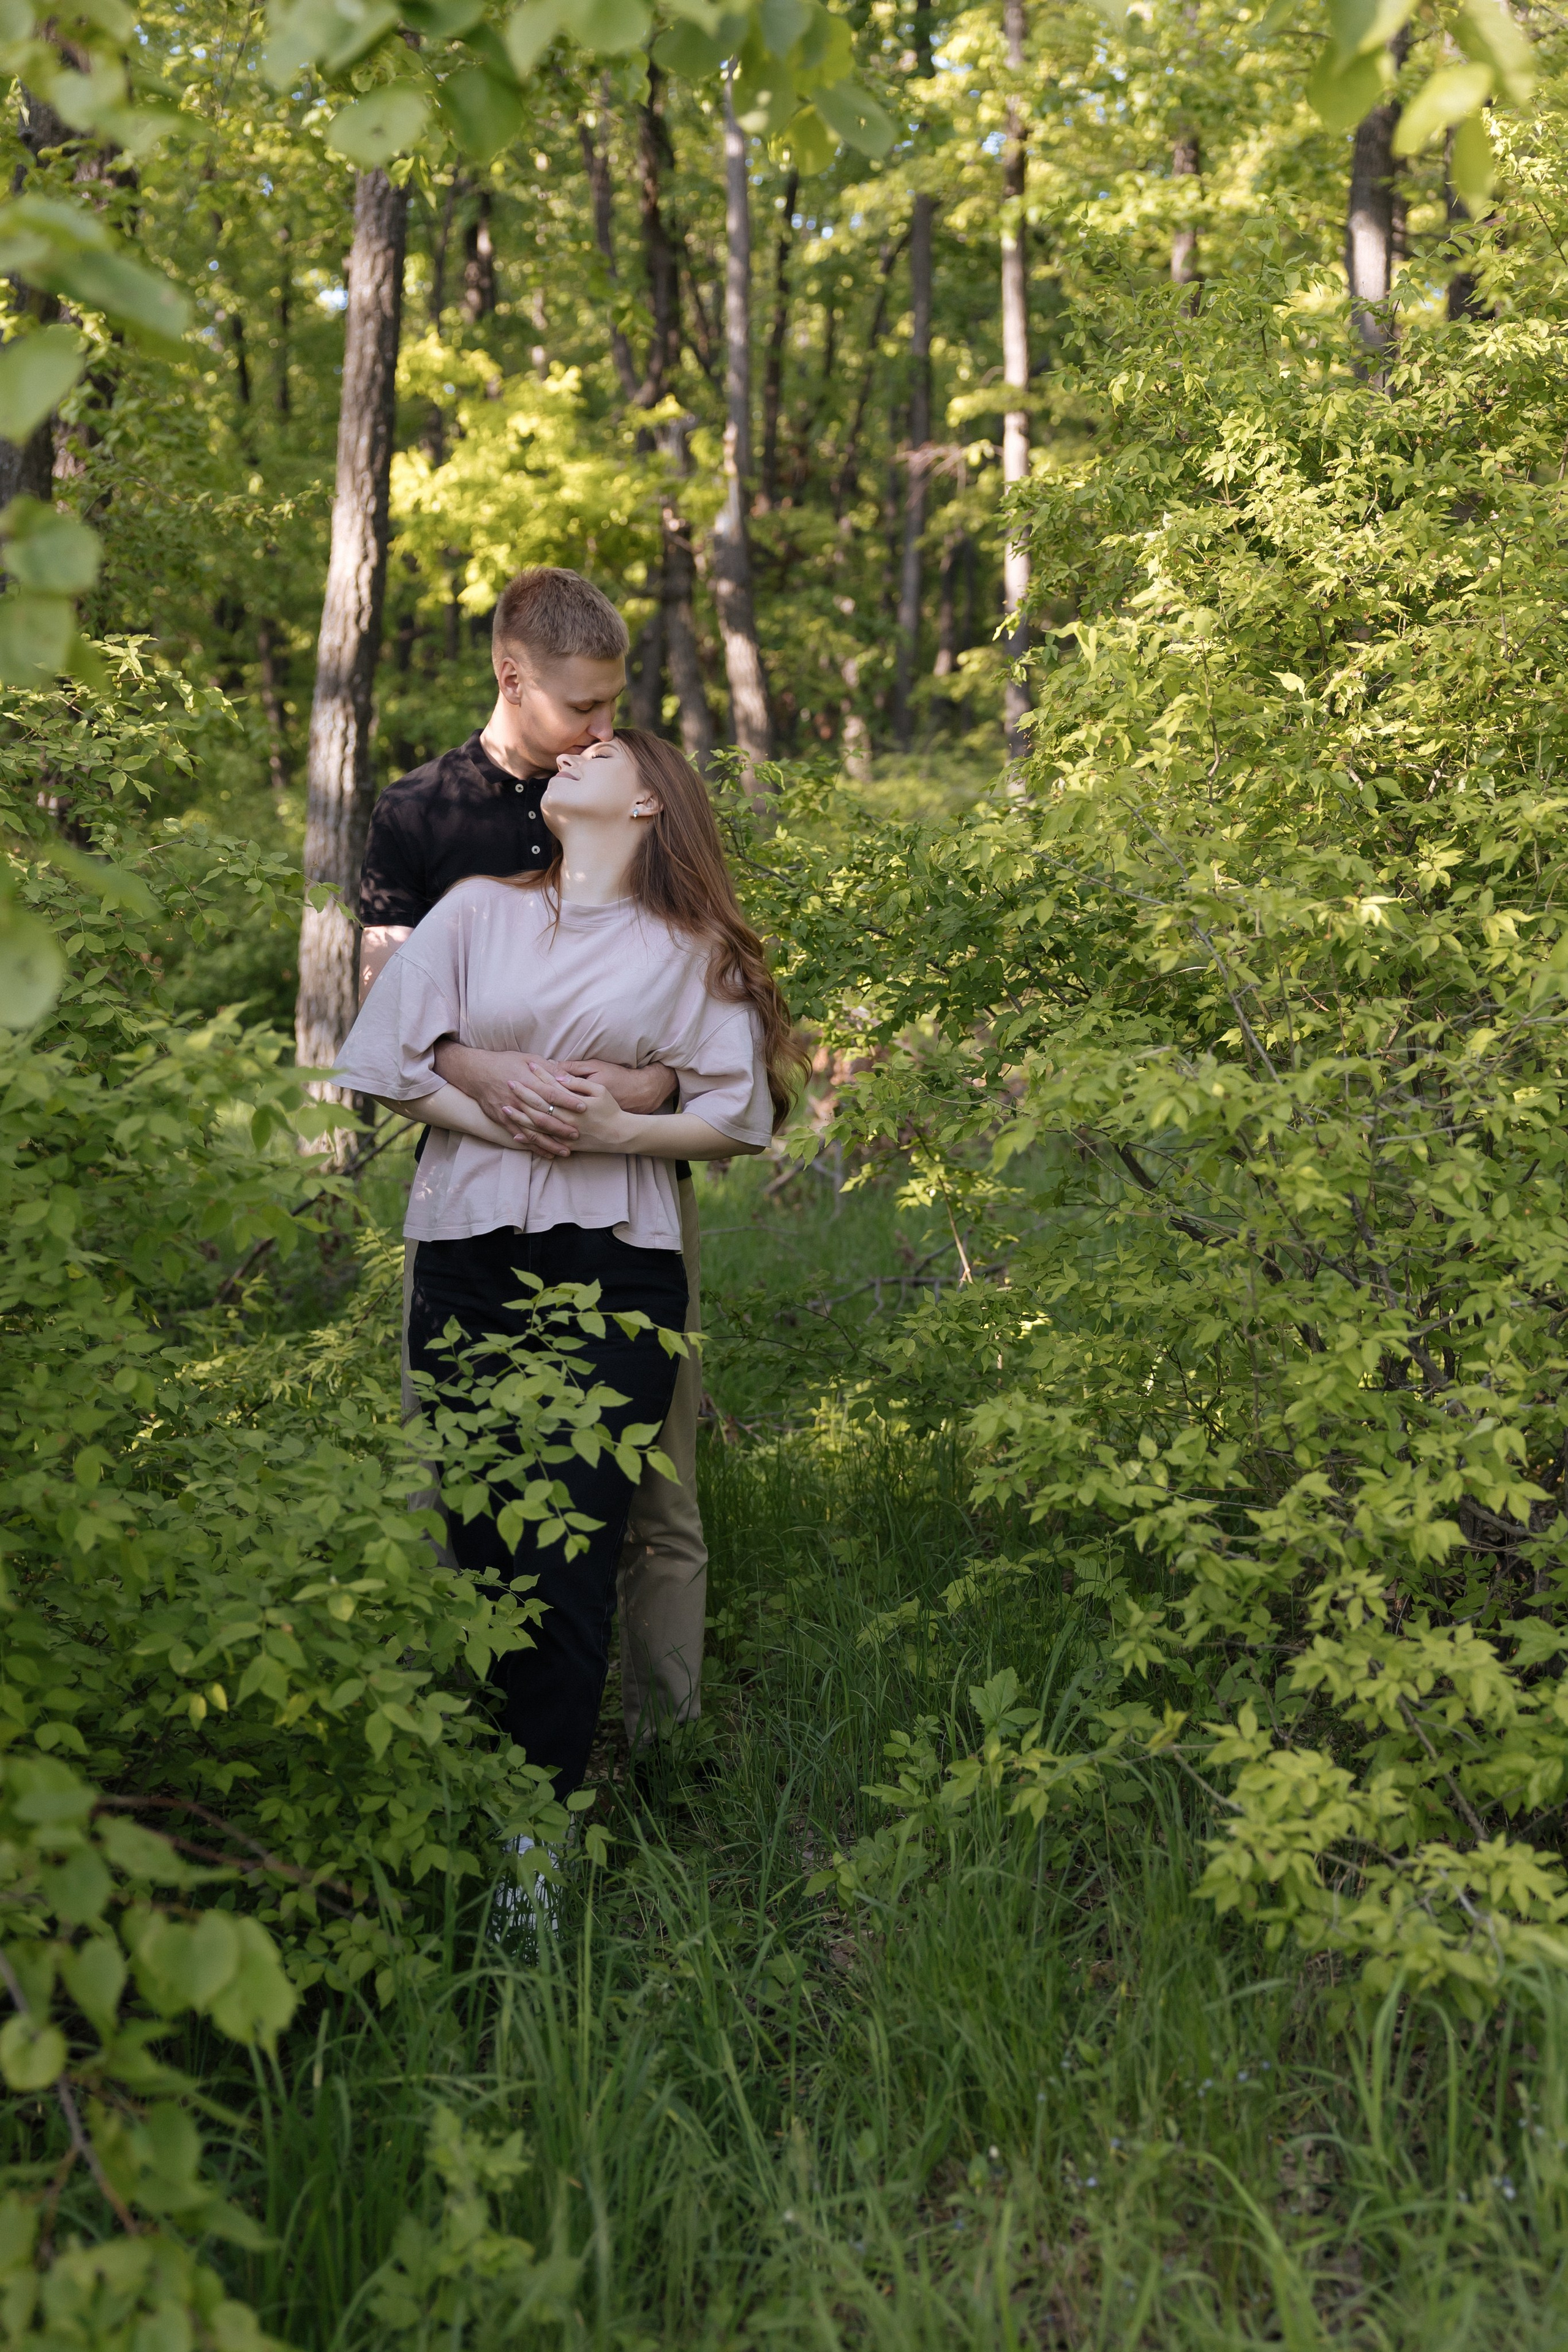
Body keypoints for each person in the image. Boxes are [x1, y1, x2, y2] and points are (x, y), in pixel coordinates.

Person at [337, 728, 803, 1796]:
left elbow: (737, 1118)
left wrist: (618, 1132)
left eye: (607, 754)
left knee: (575, 1541)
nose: (578, 752)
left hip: (618, 1264)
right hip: (464, 1245)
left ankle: (535, 1834)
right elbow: (383, 1060)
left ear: (649, 807)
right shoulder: (476, 912)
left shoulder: (693, 948)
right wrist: (506, 1110)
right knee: (473, 1520)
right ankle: (457, 1782)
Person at [358, 568, 714, 1753]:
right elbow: (397, 1018)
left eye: (617, 710)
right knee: (452, 1481)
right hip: (477, 1192)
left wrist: (649, 1087)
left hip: (628, 1193)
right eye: (583, 711)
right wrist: (489, 1076)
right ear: (514, 680)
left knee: (656, 1493)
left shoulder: (633, 793)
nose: (604, 733)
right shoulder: (424, 817)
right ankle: (471, 1746)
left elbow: (692, 990)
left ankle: (664, 1751)